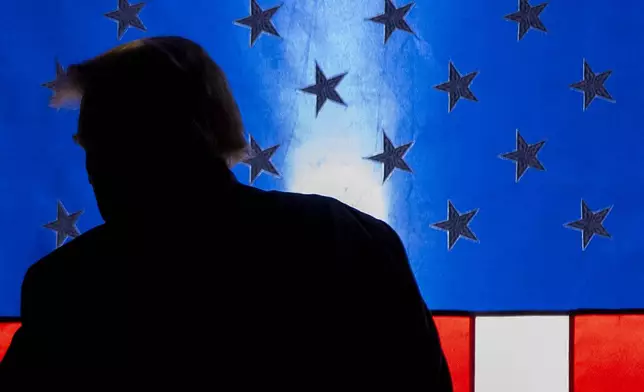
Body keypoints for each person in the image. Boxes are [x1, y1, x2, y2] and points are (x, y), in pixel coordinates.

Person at [0, 36, 452, 389]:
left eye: (106, 139)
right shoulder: (349, 240)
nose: (93, 167)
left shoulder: (69, 288)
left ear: (175, 135)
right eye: (90, 143)